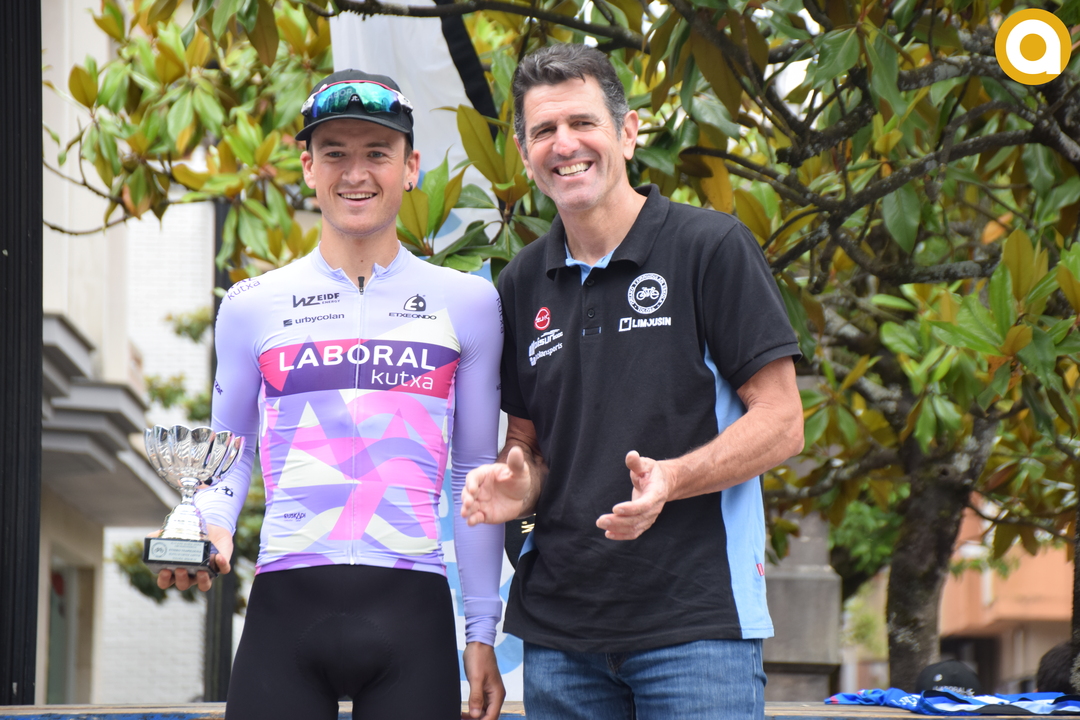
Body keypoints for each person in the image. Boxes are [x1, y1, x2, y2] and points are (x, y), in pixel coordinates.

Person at [462, 44, 804, 720]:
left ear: (627, 132)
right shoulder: (521, 281)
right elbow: (530, 448)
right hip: (560, 638)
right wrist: (517, 484)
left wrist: (671, 479)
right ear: (525, 154)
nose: (565, 144)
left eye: (582, 122)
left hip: (696, 626)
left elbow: (782, 422)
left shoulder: (710, 247)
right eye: (544, 131)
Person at [156, 69, 506, 720]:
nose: (356, 173)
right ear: (308, 168)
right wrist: (207, 531)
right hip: (285, 612)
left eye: (377, 152)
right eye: (336, 153)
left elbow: (473, 475)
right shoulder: (250, 305)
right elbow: (229, 454)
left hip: (413, 616)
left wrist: (481, 631)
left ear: (411, 168)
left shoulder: (470, 303)